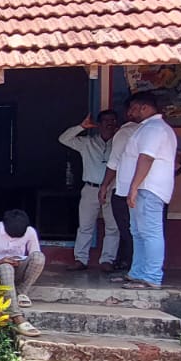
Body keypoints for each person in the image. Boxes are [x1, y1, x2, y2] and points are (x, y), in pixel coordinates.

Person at [115, 92, 179, 290]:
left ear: (145, 107)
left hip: (147, 188)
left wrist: (134, 186)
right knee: (138, 232)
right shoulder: (147, 128)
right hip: (142, 188)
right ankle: (137, 272)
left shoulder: (154, 128)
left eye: (133, 108)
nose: (130, 113)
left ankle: (151, 276)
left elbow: (147, 158)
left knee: (150, 232)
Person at [58, 110, 120, 271]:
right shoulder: (87, 143)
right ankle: (80, 260)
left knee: (113, 227)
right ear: (98, 124)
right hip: (91, 188)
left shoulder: (120, 142)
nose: (110, 123)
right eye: (106, 120)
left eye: (113, 120)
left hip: (113, 189)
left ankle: (107, 260)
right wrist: (81, 127)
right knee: (85, 226)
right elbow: (63, 139)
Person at [0, 209, 45, 337]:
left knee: (39, 257)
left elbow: (34, 254)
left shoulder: (30, 232)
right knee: (6, 267)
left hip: (17, 270)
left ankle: (21, 292)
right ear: (4, 225)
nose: (13, 238)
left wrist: (20, 260)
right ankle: (17, 316)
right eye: (11, 235)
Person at [98, 97, 142, 273]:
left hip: (124, 190)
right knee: (144, 230)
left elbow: (114, 162)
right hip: (147, 190)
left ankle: (132, 268)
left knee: (127, 229)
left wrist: (104, 186)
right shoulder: (155, 130)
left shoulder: (124, 133)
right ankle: (138, 267)